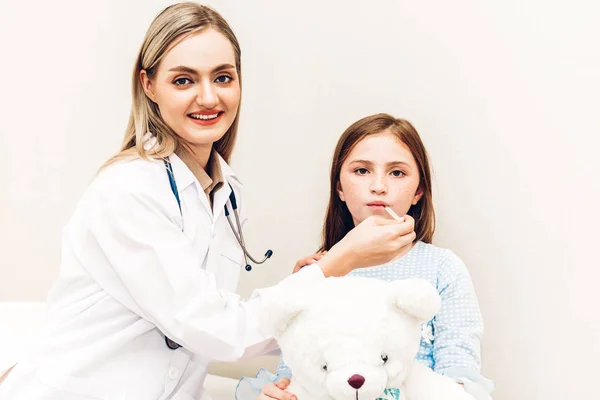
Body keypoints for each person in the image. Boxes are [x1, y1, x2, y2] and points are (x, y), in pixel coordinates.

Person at [0, 5, 417, 400]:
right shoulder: (127, 191)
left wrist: (305, 298)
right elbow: (219, 330)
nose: (209, 98)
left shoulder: (225, 192)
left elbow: (225, 322)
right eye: (184, 80)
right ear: (148, 85)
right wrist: (337, 262)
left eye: (222, 77)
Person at [240, 114, 494, 400]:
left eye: (397, 173)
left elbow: (458, 368)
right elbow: (299, 365)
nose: (379, 186)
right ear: (339, 188)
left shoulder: (443, 269)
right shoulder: (320, 271)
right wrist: (283, 389)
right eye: (362, 171)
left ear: (418, 191)